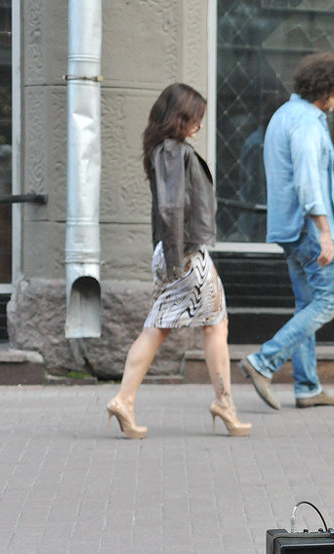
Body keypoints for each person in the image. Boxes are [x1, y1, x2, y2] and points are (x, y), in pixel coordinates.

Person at [106, 83, 250, 440]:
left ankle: (125, 400)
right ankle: (224, 404)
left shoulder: (165, 149)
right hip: (186, 252)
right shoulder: (172, 151)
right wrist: (178, 259)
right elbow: (171, 208)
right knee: (214, 326)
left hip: (178, 251)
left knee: (160, 328)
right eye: (194, 118)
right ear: (178, 117)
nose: (198, 125)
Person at [239, 52, 334, 410]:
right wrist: (324, 231)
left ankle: (307, 387)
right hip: (308, 229)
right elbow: (307, 183)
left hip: (288, 228)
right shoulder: (305, 122)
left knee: (306, 304)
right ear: (327, 88)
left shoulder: (283, 116)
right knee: (327, 303)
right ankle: (263, 362)